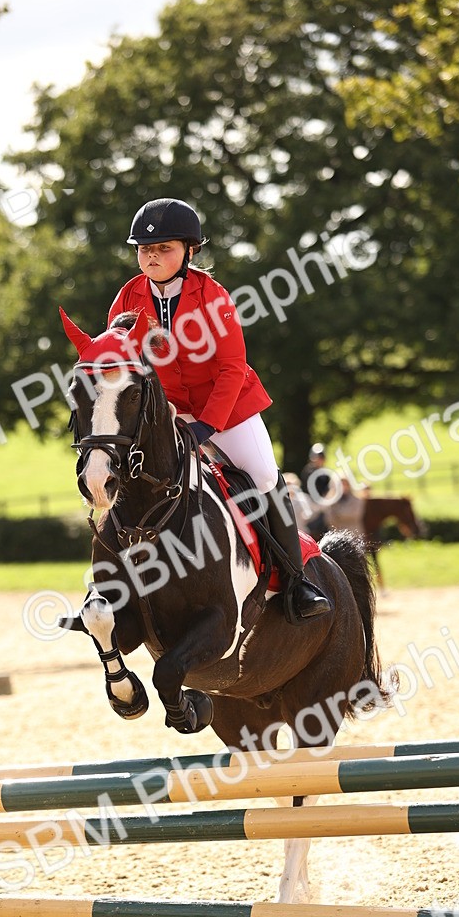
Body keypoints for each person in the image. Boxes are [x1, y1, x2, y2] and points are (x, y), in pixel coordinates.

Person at [107, 197, 331, 623]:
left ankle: (297, 580)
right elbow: (115, 359)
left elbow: (231, 368)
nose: (152, 257)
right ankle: (112, 590)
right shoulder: (129, 296)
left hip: (228, 409)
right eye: (144, 250)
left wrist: (207, 426)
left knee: (264, 476)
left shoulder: (214, 297)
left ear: (189, 251)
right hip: (170, 410)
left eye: (164, 249)